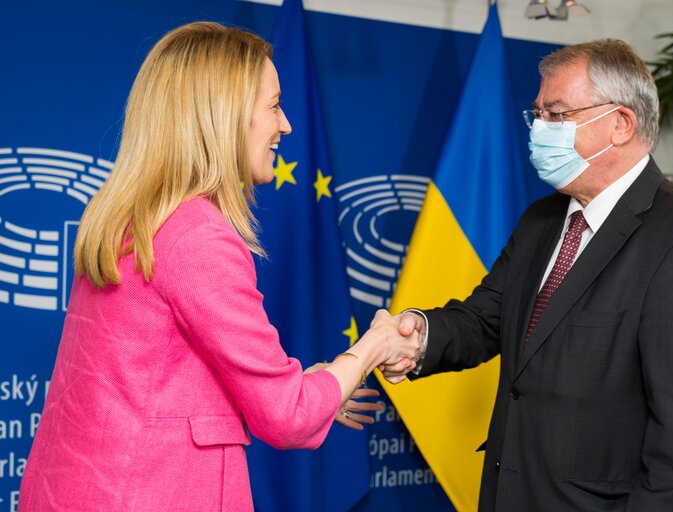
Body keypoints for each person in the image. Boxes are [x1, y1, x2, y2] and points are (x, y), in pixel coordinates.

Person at [19, 22, 420, 512]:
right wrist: (375, 345)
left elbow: (160, 387)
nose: (286, 125)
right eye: (273, 105)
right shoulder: (197, 235)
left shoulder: (125, 217)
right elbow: (288, 417)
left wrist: (315, 384)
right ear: (224, 116)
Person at [380, 39, 673, 511]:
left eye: (557, 115)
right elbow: (487, 319)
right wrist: (417, 336)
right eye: (537, 115)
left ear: (620, 124)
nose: (539, 130)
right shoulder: (542, 219)